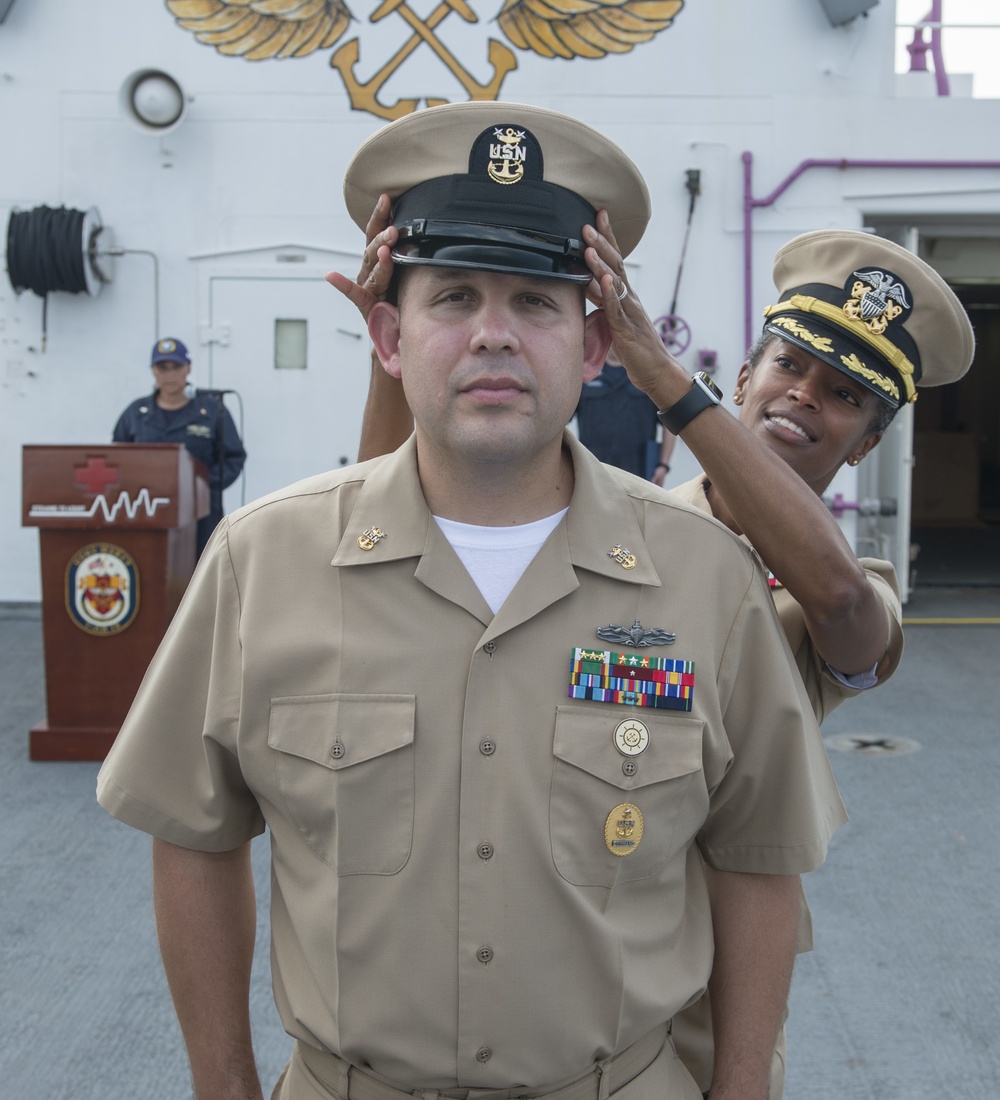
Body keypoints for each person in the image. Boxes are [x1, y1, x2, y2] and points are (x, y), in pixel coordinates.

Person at [97, 103, 847, 1100]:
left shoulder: (706, 580)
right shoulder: (260, 562)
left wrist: (742, 1087)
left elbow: (755, 860)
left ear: (590, 348)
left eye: (536, 301)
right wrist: (225, 1086)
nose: (493, 333)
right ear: (387, 334)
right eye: (452, 296)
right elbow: (193, 836)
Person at [345, 219, 974, 1097]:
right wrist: (400, 352)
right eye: (788, 367)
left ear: (867, 442)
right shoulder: (616, 526)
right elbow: (390, 554)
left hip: (710, 1013)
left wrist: (670, 385)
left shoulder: (850, 591)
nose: (801, 397)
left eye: (841, 395)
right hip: (551, 959)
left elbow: (836, 604)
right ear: (747, 377)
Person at [113, 337, 247, 555]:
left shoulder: (212, 410)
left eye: (176, 367)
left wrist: (198, 487)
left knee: (200, 575)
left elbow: (233, 458)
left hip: (199, 513)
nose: (170, 374)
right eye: (162, 368)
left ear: (188, 369)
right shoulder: (136, 414)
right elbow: (118, 459)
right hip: (146, 510)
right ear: (153, 371)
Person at [574, 346, 675, 483]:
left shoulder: (646, 376)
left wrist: (663, 465)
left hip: (638, 470)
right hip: (593, 468)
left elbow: (670, 423)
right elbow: (559, 421)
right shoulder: (585, 375)